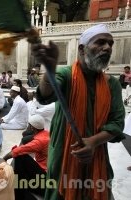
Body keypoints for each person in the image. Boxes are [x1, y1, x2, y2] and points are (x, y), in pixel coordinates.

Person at [33, 24, 125, 199]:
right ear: (82, 49)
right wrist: (48, 72)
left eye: (110, 44)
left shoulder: (111, 84)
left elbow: (117, 123)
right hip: (63, 157)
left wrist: (93, 142)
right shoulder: (66, 74)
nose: (107, 48)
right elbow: (45, 96)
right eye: (100, 42)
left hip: (97, 156)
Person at [3, 115, 50, 199]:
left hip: (46, 178)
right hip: (47, 170)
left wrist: (3, 159)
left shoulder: (38, 142)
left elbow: (17, 151)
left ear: (32, 128)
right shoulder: (47, 133)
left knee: (20, 156)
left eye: (29, 125)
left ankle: (18, 192)